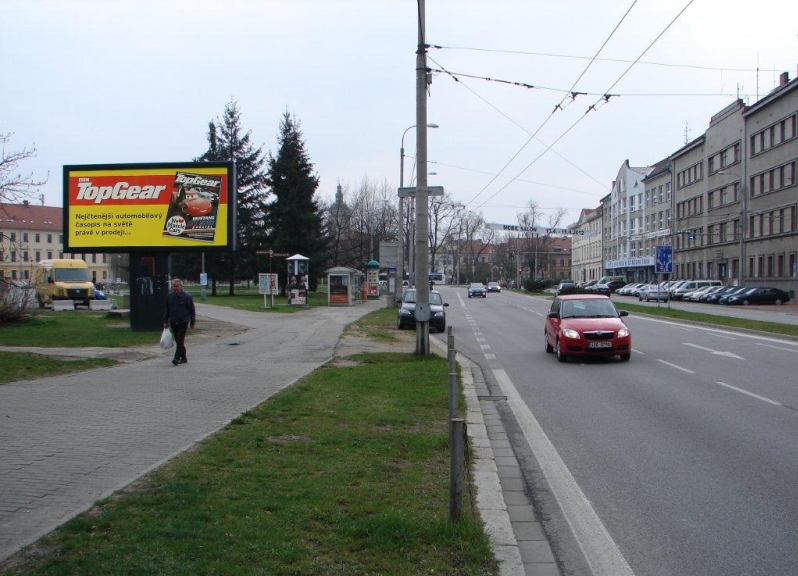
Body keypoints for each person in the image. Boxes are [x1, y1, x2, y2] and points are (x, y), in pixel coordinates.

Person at [164, 278, 196, 366]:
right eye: (173, 286)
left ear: (181, 286)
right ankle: (184, 357)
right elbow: (167, 309)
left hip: (183, 321)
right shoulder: (169, 296)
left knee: (180, 339)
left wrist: (192, 322)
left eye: (176, 286)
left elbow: (192, 310)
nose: (174, 288)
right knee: (178, 341)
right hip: (173, 321)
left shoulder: (187, 297)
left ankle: (176, 358)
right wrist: (165, 321)